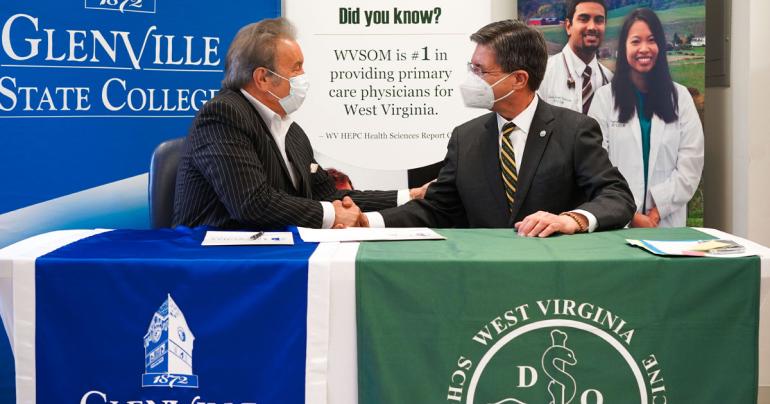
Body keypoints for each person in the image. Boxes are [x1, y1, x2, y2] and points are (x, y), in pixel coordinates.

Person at [368, 20, 635, 237]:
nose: (472, 79)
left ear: (519, 79)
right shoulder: (465, 138)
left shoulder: (574, 130)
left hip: (556, 279)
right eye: (471, 68)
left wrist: (572, 219)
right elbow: (437, 208)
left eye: (480, 71)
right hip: (485, 277)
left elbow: (617, 197)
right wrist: (367, 222)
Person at [172, 18, 422, 230]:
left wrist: (409, 196)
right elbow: (251, 203)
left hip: (273, 254)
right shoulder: (223, 115)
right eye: (297, 68)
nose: (303, 77)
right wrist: (334, 215)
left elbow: (328, 195)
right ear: (262, 78)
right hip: (210, 260)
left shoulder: (292, 132)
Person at [588, 8, 704, 228]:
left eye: (651, 40)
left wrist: (658, 210)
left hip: (667, 222)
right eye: (635, 41)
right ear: (624, 48)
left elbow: (691, 164)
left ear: (660, 45)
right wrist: (629, 214)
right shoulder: (604, 99)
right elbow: (597, 165)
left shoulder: (680, 98)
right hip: (617, 222)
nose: (644, 49)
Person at [538, 0, 613, 114]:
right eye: (584, 19)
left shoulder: (610, 79)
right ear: (568, 26)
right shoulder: (543, 74)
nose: (592, 27)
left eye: (599, 20)